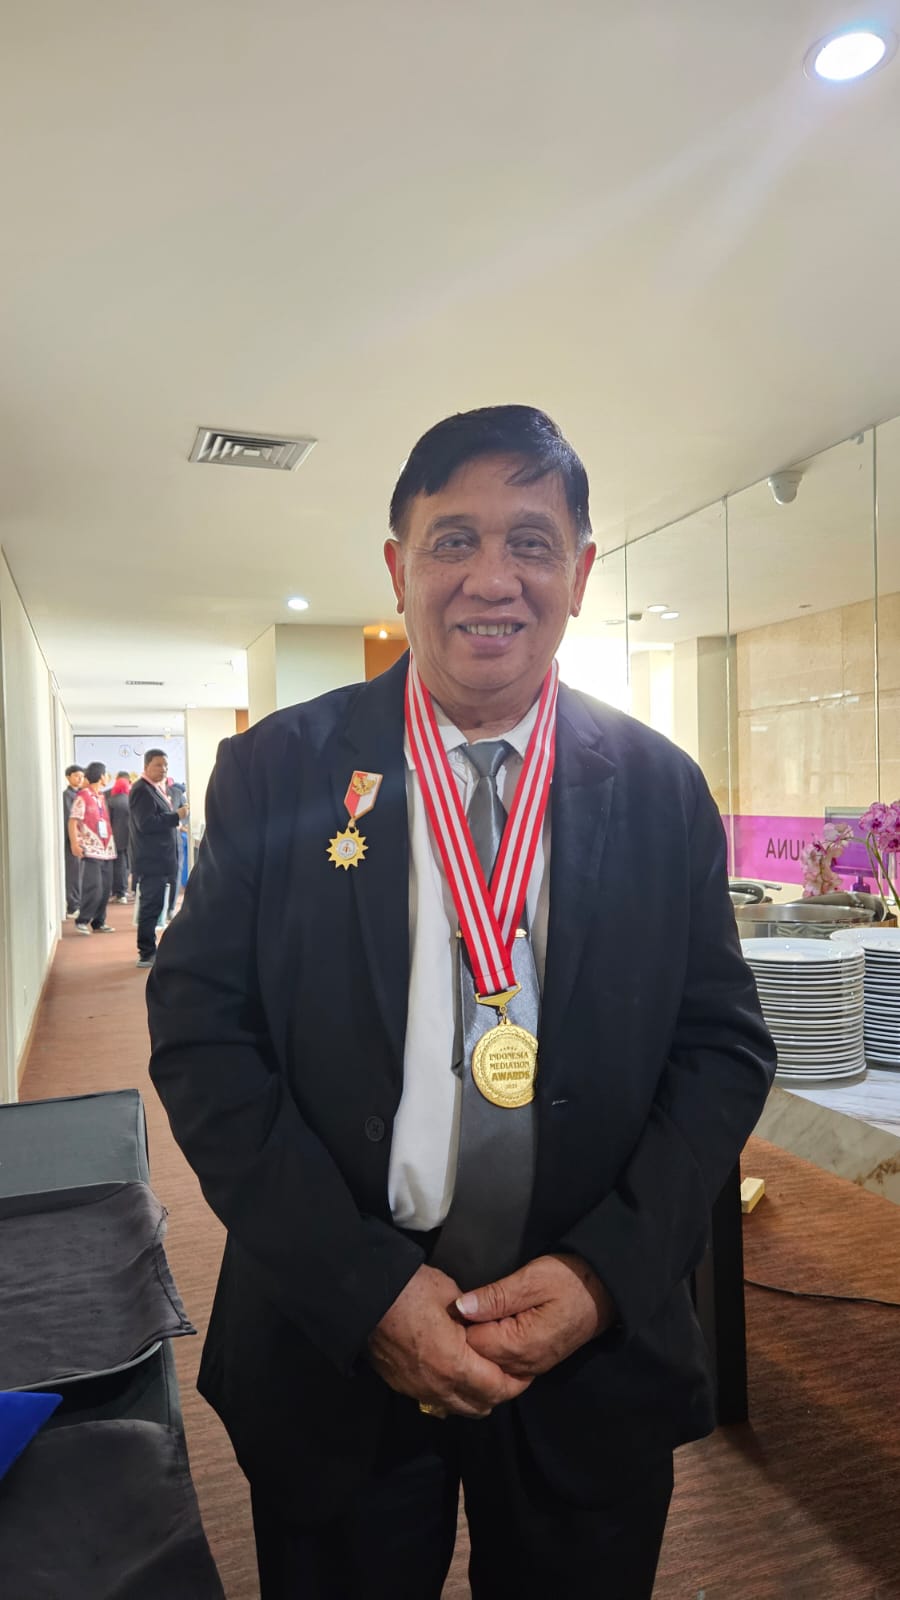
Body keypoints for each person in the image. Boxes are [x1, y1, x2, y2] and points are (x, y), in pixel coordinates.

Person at [147, 405, 776, 1600]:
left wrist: (602, 1276)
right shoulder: (279, 771)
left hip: (588, 1347)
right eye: (454, 540)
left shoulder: (661, 789)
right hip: (336, 1340)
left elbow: (720, 1050)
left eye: (532, 541)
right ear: (399, 566)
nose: (493, 578)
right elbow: (202, 1040)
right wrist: (365, 1291)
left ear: (580, 571)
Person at [129, 750, 188, 970]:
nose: (163, 769)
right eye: (158, 765)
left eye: (165, 765)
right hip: (151, 861)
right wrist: (176, 816)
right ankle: (146, 953)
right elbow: (146, 823)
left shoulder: (156, 789)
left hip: (161, 859)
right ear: (146, 766)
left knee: (156, 906)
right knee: (150, 906)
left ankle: (150, 949)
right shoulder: (141, 790)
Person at [68, 761, 117, 935]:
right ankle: (82, 920)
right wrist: (75, 843)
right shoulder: (83, 796)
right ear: (101, 776)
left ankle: (99, 922)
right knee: (94, 887)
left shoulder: (101, 797)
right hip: (91, 848)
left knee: (106, 888)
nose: (108, 777)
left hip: (107, 849)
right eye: (106, 774)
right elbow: (73, 821)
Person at [62, 764, 85, 919]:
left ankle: (78, 903)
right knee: (73, 874)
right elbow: (69, 820)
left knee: (80, 874)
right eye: (76, 776)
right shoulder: (67, 796)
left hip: (81, 840)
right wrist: (74, 841)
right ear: (68, 777)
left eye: (82, 776)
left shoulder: (80, 794)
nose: (80, 779)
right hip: (71, 841)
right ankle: (73, 906)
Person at [107, 772, 133, 902]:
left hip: (115, 837)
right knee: (127, 865)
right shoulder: (131, 800)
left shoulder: (111, 801)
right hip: (130, 837)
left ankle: (119, 892)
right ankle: (124, 891)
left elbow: (107, 821)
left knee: (118, 865)